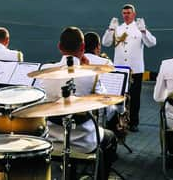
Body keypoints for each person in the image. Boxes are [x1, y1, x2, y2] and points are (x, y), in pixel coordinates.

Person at [38, 27, 117, 179]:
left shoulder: (46, 71)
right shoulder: (91, 75)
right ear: (82, 47)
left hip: (52, 138)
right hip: (84, 141)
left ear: (60, 47)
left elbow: (40, 102)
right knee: (110, 137)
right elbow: (105, 109)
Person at [102, 4, 156, 132]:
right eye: (124, 13)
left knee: (135, 97)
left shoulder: (139, 29)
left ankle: (133, 122)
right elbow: (106, 42)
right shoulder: (118, 29)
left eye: (129, 13)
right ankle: (117, 122)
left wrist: (144, 31)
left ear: (134, 14)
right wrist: (110, 29)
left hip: (135, 69)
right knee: (119, 97)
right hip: (120, 69)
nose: (126, 15)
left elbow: (152, 43)